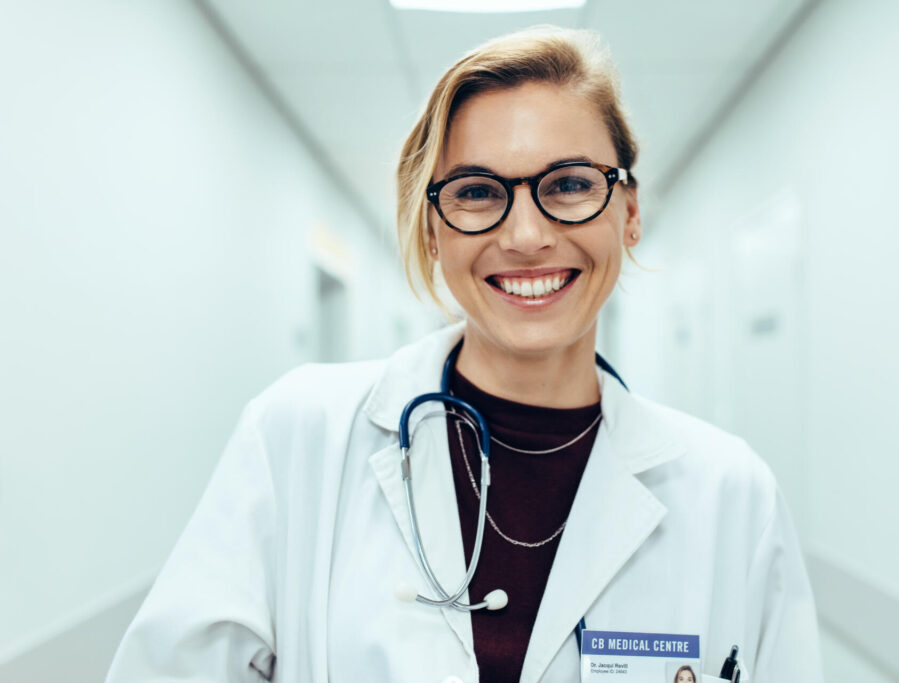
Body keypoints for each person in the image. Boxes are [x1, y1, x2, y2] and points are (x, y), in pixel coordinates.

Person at [107, 26, 822, 683]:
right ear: (431, 233)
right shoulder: (297, 439)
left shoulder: (732, 497)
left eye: (570, 184)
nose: (526, 234)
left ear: (628, 213)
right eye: (479, 192)